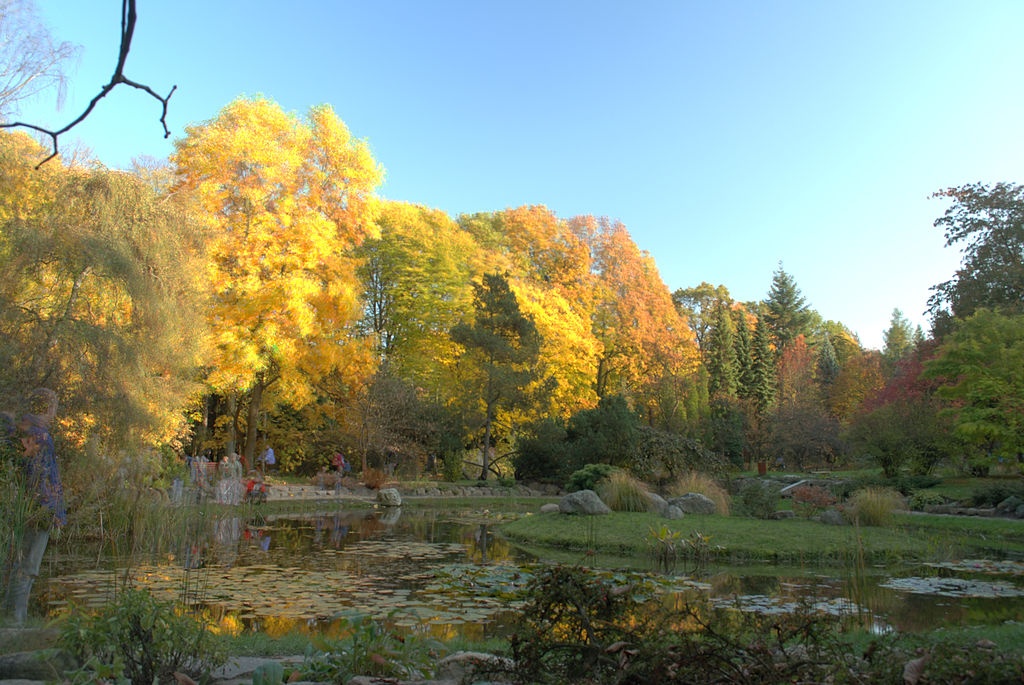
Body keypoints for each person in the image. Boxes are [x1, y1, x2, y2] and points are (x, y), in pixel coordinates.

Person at [4, 410, 65, 625]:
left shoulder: (20, 435)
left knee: (21, 567)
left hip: (31, 510)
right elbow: (41, 476)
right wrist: (53, 512)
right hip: (38, 511)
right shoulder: (40, 437)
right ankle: (15, 622)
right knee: (27, 567)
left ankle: (14, 618)